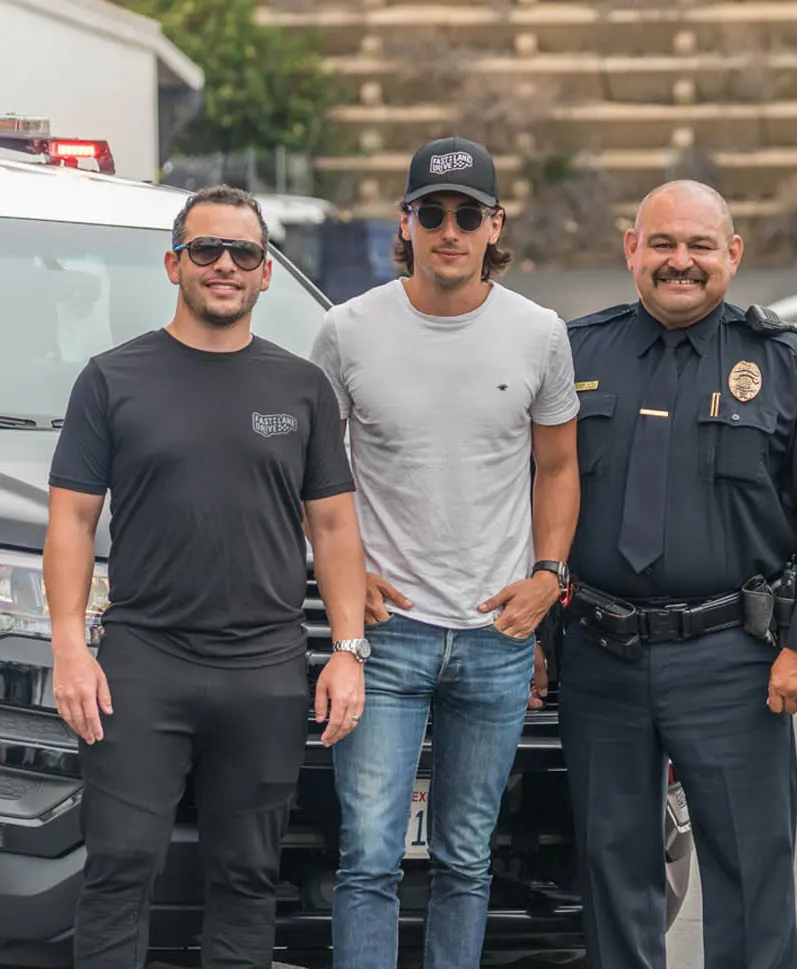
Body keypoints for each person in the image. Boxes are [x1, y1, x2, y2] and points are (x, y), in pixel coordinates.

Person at [44, 185, 369, 969]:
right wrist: (68, 645)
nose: (224, 265)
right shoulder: (112, 379)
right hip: (142, 664)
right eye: (205, 250)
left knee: (247, 877)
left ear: (265, 274)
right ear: (174, 264)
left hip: (264, 667)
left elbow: (332, 526)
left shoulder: (301, 389)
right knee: (120, 870)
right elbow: (72, 521)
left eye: (244, 253)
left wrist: (350, 649)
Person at [558, 179, 797, 969]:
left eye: (700, 245)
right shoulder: (571, 354)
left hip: (733, 660)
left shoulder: (788, 366)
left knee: (750, 875)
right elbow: (521, 492)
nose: (680, 262)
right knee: (614, 871)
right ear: (631, 249)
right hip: (599, 655)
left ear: (733, 254)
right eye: (661, 243)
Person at [309, 135, 580, 969]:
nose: (450, 230)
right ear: (407, 221)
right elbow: (311, 478)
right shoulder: (346, 331)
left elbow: (560, 466)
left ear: (496, 225)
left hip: (496, 638)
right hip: (384, 640)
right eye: (433, 213)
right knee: (368, 862)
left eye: (469, 215)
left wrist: (548, 576)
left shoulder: (538, 332)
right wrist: (349, 582)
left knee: (467, 860)